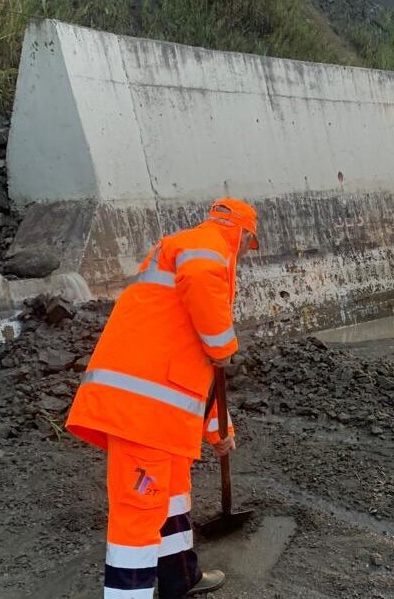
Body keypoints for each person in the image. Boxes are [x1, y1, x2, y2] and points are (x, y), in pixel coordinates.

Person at [66, 198, 259, 599]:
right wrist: (223, 342)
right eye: (248, 244)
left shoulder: (184, 273)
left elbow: (193, 376)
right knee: (137, 516)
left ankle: (180, 579)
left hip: (159, 413)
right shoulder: (207, 246)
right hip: (140, 413)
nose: (244, 252)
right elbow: (202, 284)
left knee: (171, 496)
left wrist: (220, 431)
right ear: (242, 233)